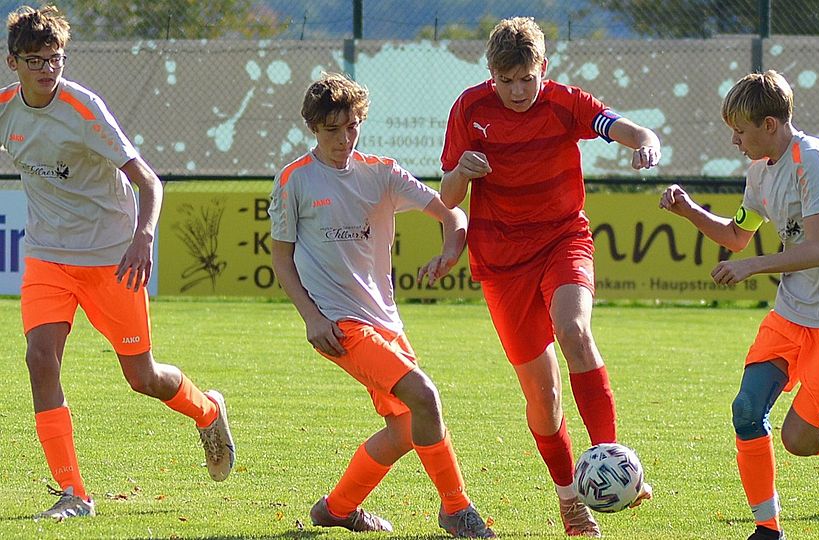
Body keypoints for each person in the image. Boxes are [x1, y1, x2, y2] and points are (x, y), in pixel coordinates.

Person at [659, 70, 819, 540]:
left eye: (741, 130)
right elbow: (739, 236)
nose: (735, 140)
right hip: (795, 310)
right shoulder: (761, 169)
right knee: (746, 409)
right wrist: (689, 210)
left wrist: (751, 269)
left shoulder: (813, 161)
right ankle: (767, 529)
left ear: (771, 125)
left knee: (799, 440)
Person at [1, 5, 235, 520]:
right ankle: (74, 494)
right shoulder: (5, 109)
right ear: (12, 62)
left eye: (55, 58)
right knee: (40, 359)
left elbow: (149, 180)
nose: (47, 68)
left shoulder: (84, 109)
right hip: (47, 257)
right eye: (36, 59)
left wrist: (142, 237)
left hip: (111, 258)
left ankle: (209, 410)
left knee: (142, 377)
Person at [439, 16, 657, 537]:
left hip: (563, 240)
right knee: (543, 395)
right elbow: (446, 199)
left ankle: (614, 463)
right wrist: (460, 174)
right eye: (505, 81)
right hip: (501, 261)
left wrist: (643, 142)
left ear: (544, 68)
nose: (516, 91)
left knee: (576, 331)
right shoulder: (470, 109)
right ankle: (570, 501)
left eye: (526, 79)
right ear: (491, 74)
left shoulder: (565, 102)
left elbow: (624, 127)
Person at [269, 72, 495, 538]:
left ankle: (336, 508)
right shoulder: (295, 180)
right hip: (340, 324)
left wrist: (452, 246)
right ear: (314, 128)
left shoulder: (383, 172)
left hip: (386, 320)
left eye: (352, 126)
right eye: (332, 129)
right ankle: (456, 510)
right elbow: (281, 257)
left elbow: (451, 211)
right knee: (425, 396)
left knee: (406, 428)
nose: (344, 138)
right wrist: (312, 318)